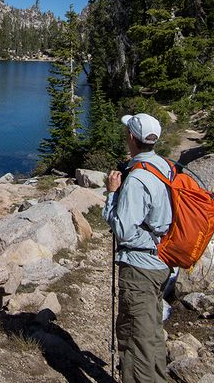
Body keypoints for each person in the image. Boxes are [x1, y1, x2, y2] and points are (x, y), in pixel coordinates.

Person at [103, 112, 173, 383]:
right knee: (151, 333)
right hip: (162, 261)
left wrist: (112, 193)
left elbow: (122, 231)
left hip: (140, 268)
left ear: (131, 137)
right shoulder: (164, 166)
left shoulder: (137, 179)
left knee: (134, 339)